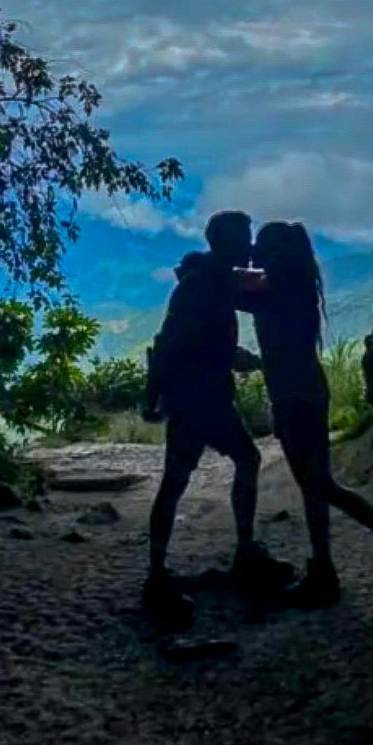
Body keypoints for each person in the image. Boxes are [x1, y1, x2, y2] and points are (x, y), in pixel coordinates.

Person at [243, 220, 373, 608]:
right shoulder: (294, 286)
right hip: (307, 390)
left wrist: (212, 263)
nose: (254, 252)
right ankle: (324, 569)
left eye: (260, 246)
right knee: (317, 485)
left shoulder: (273, 289)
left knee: (317, 485)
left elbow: (222, 285)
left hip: (294, 396)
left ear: (274, 252)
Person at [142, 210, 292, 613]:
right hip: (201, 398)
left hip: (192, 396)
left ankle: (158, 569)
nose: (249, 246)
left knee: (176, 480)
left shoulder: (211, 281)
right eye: (243, 238)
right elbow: (171, 342)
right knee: (245, 459)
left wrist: (156, 394)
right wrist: (152, 395)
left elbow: (195, 339)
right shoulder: (206, 283)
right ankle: (240, 549)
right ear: (225, 242)